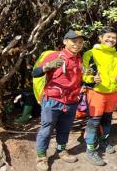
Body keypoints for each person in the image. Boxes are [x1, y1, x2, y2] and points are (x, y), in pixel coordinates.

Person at [32, 29, 85, 171]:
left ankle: (61, 150)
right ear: (65, 42)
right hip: (53, 100)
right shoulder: (55, 56)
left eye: (80, 42)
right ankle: (42, 157)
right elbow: (35, 73)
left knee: (65, 129)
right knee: (46, 129)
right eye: (74, 41)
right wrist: (47, 66)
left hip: (72, 101)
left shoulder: (79, 58)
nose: (77, 44)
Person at [82, 26, 117, 166]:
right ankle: (90, 150)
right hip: (96, 92)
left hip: (113, 92)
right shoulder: (90, 53)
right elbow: (83, 74)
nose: (111, 39)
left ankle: (103, 141)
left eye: (113, 37)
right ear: (100, 38)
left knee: (107, 119)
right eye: (108, 37)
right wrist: (91, 79)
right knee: (94, 121)